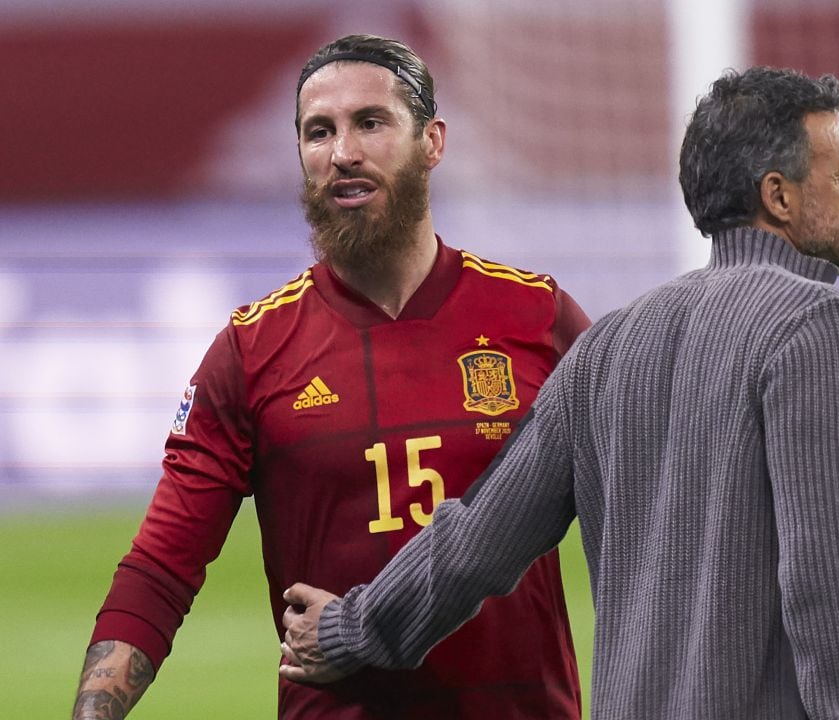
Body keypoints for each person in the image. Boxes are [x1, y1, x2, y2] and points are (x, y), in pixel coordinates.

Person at [278, 67, 839, 719]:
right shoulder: (817, 325)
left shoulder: (605, 347)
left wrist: (351, 626)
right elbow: (825, 576)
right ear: (778, 195)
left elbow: (476, 541)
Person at [73, 34, 588, 720]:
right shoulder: (252, 350)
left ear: (432, 142)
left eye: (370, 123)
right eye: (320, 132)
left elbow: (648, 507)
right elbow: (162, 566)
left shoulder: (538, 316)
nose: (342, 151)